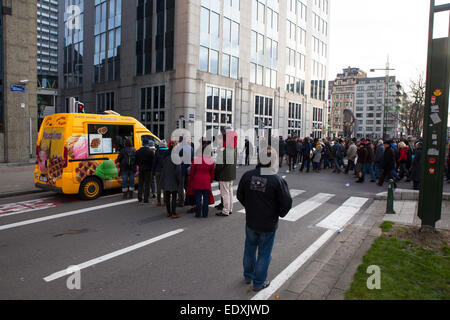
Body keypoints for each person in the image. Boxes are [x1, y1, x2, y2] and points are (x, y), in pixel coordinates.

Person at [237, 146, 293, 292]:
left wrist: (249, 206)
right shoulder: (276, 180)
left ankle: (249, 275)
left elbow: (240, 195)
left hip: (251, 220)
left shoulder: (248, 175)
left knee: (250, 249)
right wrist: (277, 213)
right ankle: (259, 282)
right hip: (268, 223)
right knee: (264, 253)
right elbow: (286, 203)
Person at [215, 128, 238, 217]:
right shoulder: (234, 148)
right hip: (231, 173)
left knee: (225, 194)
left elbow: (220, 165)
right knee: (229, 192)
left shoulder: (224, 149)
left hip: (224, 174)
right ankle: (230, 208)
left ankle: (225, 210)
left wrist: (216, 172)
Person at [190, 140, 216, 218]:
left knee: (198, 199)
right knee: (206, 199)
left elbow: (192, 171)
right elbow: (212, 173)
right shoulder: (210, 161)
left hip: (197, 180)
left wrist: (192, 179)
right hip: (206, 181)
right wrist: (210, 180)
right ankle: (205, 214)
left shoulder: (197, 160)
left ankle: (198, 214)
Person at [160, 141, 181, 219]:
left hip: (166, 178)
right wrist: (179, 180)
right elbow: (178, 171)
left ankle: (168, 212)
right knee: (174, 197)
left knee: (167, 196)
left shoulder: (166, 157)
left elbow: (163, 167)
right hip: (174, 179)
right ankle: (174, 213)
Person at [136, 138, 155, 203]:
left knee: (140, 183)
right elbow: (153, 162)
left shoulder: (138, 151)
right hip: (148, 170)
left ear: (142, 143)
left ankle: (139, 197)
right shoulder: (150, 152)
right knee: (147, 184)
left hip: (141, 169)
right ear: (148, 144)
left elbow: (136, 161)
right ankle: (146, 199)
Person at [177, 136, 194, 207]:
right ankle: (187, 200)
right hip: (189, 168)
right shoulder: (191, 148)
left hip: (182, 168)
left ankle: (181, 202)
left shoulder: (180, 148)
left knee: (180, 186)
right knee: (187, 186)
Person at [153, 140, 170, 206]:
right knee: (165, 186)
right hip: (166, 171)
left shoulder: (157, 152)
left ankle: (159, 201)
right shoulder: (168, 152)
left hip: (158, 171)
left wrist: (153, 171)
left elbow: (154, 163)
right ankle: (165, 201)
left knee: (158, 186)